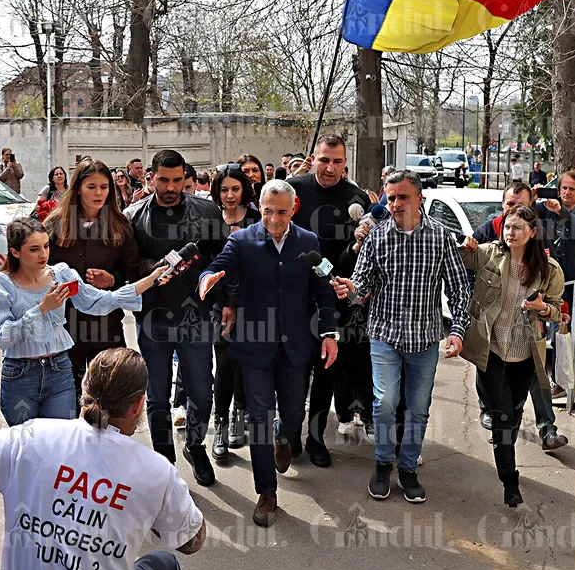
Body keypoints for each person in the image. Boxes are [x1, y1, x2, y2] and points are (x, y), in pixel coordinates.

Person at [0, 346, 206, 570]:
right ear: (138, 405)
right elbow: (192, 541)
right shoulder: (156, 472)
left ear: (84, 388)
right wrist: (149, 509)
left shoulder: (30, 438)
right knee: (163, 562)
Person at [198, 180, 338, 526]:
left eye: (282, 212)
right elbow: (218, 265)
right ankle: (267, 492)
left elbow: (323, 290)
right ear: (260, 208)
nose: (274, 219)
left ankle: (283, 437)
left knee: (292, 414)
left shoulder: (308, 242)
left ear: (294, 209)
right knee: (259, 418)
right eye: (268, 211)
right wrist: (208, 278)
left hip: (296, 346)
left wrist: (329, 333)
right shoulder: (241, 240)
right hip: (254, 345)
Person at [331, 170, 472, 503]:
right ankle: (383, 464)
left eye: (402, 197)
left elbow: (459, 289)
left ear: (419, 198)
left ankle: (408, 469)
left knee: (418, 408)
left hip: (424, 338)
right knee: (385, 403)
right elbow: (362, 285)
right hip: (384, 335)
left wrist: (457, 330)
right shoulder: (377, 237)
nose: (395, 204)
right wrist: (351, 289)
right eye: (391, 197)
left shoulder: (440, 237)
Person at [0, 217, 164, 425]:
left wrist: (150, 280)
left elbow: (100, 301)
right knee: (25, 441)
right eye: (34, 249)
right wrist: (42, 309)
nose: (43, 254)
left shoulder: (61, 273)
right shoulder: (0, 283)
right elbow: (3, 337)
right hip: (20, 374)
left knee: (61, 439)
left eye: (46, 246)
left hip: (59, 369)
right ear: (15, 252)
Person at [124, 149, 227, 487]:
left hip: (196, 317)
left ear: (186, 178)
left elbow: (224, 257)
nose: (170, 187)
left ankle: (195, 446)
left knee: (202, 391)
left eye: (177, 180)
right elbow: (127, 266)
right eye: (163, 180)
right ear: (150, 177)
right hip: (153, 318)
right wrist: (153, 271)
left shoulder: (207, 210)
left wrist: (222, 296)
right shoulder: (132, 216)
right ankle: (164, 462)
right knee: (156, 396)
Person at [459, 206, 564, 507]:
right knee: (503, 416)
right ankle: (510, 481)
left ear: (532, 232)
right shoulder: (489, 254)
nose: (510, 232)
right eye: (507, 226)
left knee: (514, 413)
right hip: (491, 351)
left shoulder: (549, 270)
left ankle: (504, 448)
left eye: (517, 227)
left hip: (525, 356)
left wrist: (541, 308)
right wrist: (465, 245)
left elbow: (557, 311)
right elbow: (456, 258)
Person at [288, 134, 372, 467]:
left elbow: (362, 254)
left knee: (327, 372)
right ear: (314, 159)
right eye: (324, 160)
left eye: (337, 161)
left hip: (336, 298)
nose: (330, 168)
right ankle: (290, 433)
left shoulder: (356, 197)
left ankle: (316, 438)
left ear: (345, 162)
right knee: (294, 370)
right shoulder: (293, 189)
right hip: (296, 297)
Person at [472, 182, 570, 451]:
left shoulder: (537, 235)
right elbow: (467, 263)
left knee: (537, 376)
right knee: (487, 369)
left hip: (528, 328)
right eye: (510, 205)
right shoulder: (488, 232)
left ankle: (547, 429)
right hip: (492, 328)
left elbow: (553, 278)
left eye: (521, 206)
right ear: (502, 206)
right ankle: (490, 414)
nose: (514, 213)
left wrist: (551, 309)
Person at [44, 159, 144, 412]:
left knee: (109, 396)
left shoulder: (120, 225)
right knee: (68, 398)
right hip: (66, 325)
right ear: (78, 188)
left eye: (104, 187)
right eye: (91, 187)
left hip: (106, 324)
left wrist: (112, 279)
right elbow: (39, 267)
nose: (99, 193)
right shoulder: (54, 224)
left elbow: (131, 270)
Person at [208, 166, 261, 461]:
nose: (230, 195)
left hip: (252, 303)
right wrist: (226, 300)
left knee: (245, 363)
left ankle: (240, 415)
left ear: (244, 189)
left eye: (235, 189)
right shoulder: (211, 219)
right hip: (221, 304)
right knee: (225, 363)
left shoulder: (257, 219)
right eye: (224, 189)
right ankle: (220, 424)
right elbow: (209, 266)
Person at [534, 169, 575, 397]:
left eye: (572, 189)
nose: (566, 192)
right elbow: (521, 215)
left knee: (562, 332)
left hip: (569, 281)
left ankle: (560, 382)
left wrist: (561, 212)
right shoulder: (545, 210)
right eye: (563, 188)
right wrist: (531, 197)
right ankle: (535, 378)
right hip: (543, 278)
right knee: (536, 330)